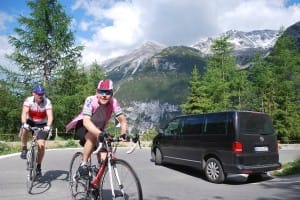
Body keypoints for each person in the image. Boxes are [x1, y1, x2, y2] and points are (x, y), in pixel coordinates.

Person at [66, 79, 128, 178]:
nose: (104, 95)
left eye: (107, 92)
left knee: (105, 156)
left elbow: (122, 120)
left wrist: (124, 134)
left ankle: (96, 184)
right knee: (92, 136)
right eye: (101, 92)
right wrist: (99, 134)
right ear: (96, 92)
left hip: (99, 129)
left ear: (112, 93)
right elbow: (86, 121)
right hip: (83, 127)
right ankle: (84, 164)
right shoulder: (90, 100)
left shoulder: (113, 102)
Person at [20, 85, 53, 176]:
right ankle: (23, 148)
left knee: (41, 145)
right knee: (24, 129)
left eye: (42, 94)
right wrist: (24, 123)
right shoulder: (28, 100)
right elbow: (24, 113)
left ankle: (38, 166)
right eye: (38, 94)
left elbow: (50, 116)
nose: (40, 96)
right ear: (33, 93)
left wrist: (48, 126)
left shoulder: (47, 102)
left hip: (42, 123)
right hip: (30, 121)